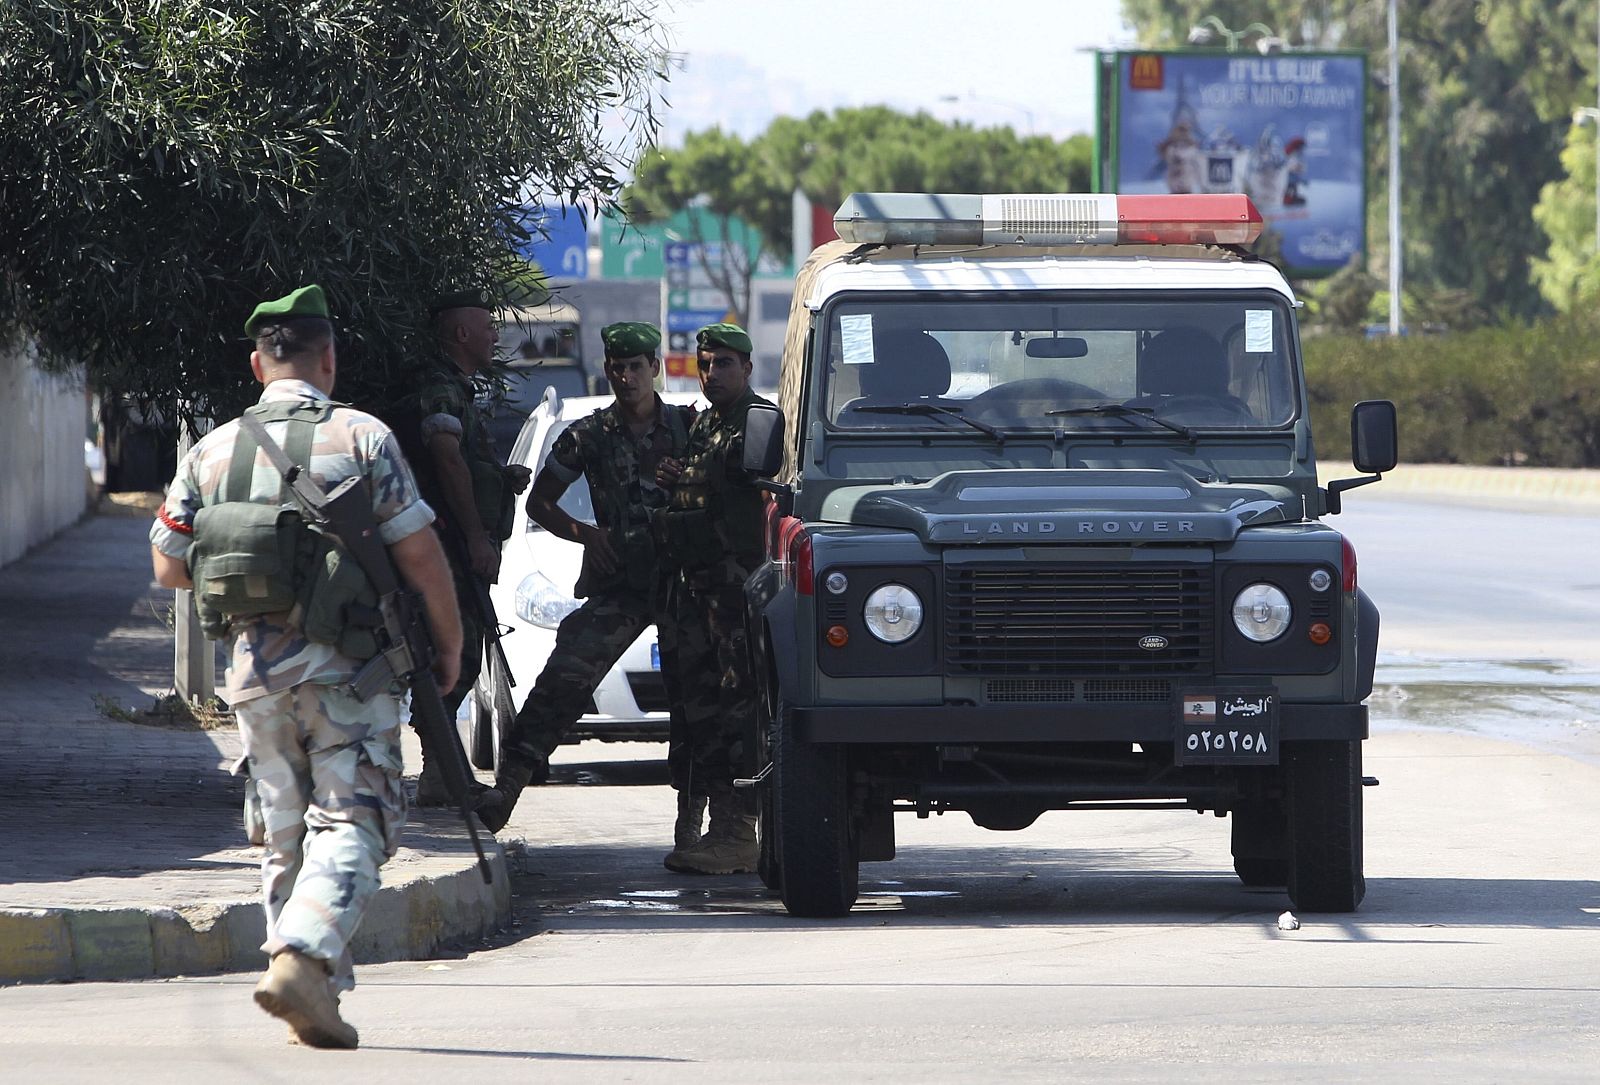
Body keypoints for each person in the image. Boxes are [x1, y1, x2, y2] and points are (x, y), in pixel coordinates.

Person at [149, 284, 461, 1048]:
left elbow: (167, 563)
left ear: (259, 363)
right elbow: (420, 553)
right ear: (328, 357)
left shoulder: (211, 450)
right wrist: (450, 646)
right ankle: (305, 954)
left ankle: (314, 992)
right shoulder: (362, 436)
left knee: (285, 832)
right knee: (357, 817)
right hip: (348, 673)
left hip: (254, 675)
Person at [476, 322, 699, 841]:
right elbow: (540, 501)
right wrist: (585, 534)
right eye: (617, 368)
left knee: (697, 699)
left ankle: (695, 813)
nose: (626, 377)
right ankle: (507, 788)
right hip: (619, 581)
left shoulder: (689, 430)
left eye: (636, 367)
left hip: (682, 583)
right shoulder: (591, 434)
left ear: (654, 369)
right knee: (564, 677)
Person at [652, 322, 774, 875]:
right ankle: (711, 824)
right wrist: (674, 478)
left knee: (739, 708)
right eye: (705, 363)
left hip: (736, 592)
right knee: (699, 709)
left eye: (724, 363)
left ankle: (738, 830)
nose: (712, 373)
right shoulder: (705, 424)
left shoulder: (758, 422)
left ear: (747, 368)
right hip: (698, 591)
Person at [404, 289, 532, 804]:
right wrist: (476, 535)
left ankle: (441, 772)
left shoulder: (456, 387)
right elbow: (445, 460)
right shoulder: (440, 387)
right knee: (451, 653)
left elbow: (466, 465)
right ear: (461, 334)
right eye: (487, 327)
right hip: (448, 548)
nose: (495, 336)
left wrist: (501, 479)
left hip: (454, 545)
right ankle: (439, 770)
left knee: (462, 653)